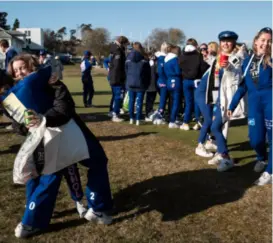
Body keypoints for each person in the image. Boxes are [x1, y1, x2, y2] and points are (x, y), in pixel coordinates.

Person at [1, 54, 113, 238]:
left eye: (23, 68)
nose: (20, 73)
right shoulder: (14, 97)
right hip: (46, 139)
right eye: (16, 71)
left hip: (69, 132)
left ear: (32, 66)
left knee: (94, 163)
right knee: (46, 177)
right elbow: (17, 125)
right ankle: (31, 221)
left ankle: (95, 208)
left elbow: (65, 107)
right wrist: (26, 125)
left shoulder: (51, 82)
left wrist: (45, 117)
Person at [228, 27, 272, 185]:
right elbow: (242, 87)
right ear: (256, 41)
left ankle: (270, 171)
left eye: (269, 41)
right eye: (263, 40)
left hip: (270, 104)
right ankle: (262, 158)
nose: (266, 44)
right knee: (255, 140)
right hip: (255, 104)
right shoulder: (246, 61)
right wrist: (231, 106)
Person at [199, 31, 246, 171]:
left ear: (233, 43)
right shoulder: (219, 57)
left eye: (229, 41)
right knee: (216, 127)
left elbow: (236, 74)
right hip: (220, 98)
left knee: (217, 127)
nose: (225, 43)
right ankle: (222, 153)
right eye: (223, 41)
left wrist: (228, 67)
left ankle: (224, 157)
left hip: (231, 99)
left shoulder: (238, 57)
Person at [179, 38, 210, 131]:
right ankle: (198, 122)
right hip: (197, 81)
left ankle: (185, 122)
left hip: (185, 81)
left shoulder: (181, 56)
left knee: (188, 103)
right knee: (197, 103)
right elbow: (204, 68)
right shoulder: (198, 56)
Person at [125, 42, 150, 125]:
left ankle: (132, 118)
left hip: (130, 83)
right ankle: (138, 119)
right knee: (139, 102)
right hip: (141, 83)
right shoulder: (145, 60)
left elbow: (126, 71)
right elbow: (148, 73)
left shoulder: (128, 59)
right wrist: (147, 84)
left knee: (131, 101)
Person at [108, 36, 129, 122]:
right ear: (122, 43)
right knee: (118, 96)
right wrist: (118, 79)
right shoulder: (118, 51)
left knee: (114, 96)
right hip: (117, 78)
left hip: (113, 76)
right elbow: (117, 66)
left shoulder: (114, 49)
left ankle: (111, 111)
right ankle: (115, 114)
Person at [164, 45, 182, 128]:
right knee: (176, 102)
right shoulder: (175, 60)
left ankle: (172, 118)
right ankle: (172, 120)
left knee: (171, 101)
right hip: (175, 81)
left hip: (168, 81)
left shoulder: (166, 60)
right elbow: (178, 71)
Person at [153, 42, 170, 125]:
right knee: (163, 99)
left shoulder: (158, 57)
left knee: (163, 99)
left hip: (159, 81)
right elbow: (161, 71)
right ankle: (159, 116)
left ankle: (160, 113)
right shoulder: (163, 58)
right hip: (163, 81)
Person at [145, 50, 158, 121]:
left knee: (151, 99)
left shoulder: (152, 63)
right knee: (149, 100)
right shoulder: (149, 63)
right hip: (150, 84)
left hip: (152, 84)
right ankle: (147, 114)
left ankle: (149, 111)